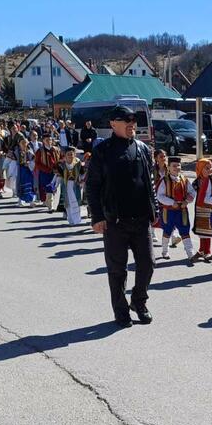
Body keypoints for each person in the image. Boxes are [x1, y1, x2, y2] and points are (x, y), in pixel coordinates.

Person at [85, 105, 158, 328]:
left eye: (133, 120)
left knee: (148, 263)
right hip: (114, 221)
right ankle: (120, 311)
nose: (131, 124)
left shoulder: (143, 149)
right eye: (126, 120)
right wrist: (97, 217)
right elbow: (92, 186)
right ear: (112, 124)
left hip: (141, 219)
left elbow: (150, 182)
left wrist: (153, 209)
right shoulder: (102, 151)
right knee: (117, 270)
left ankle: (138, 301)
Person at [156, 155, 197, 264]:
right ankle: (165, 251)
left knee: (185, 231)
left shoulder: (185, 179)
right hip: (168, 211)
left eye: (178, 165)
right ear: (168, 167)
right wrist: (171, 203)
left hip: (182, 211)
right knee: (167, 231)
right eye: (174, 166)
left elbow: (192, 192)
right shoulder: (164, 180)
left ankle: (190, 253)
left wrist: (187, 201)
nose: (177, 168)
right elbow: (159, 196)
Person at [191, 158, 212, 264]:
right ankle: (201, 250)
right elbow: (191, 192)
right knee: (201, 229)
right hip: (200, 208)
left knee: (208, 229)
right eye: (206, 168)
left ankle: (207, 251)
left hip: (210, 207)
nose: (210, 170)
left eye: (211, 167)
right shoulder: (197, 182)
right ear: (200, 169)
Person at [34, 135, 61, 210]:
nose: (49, 141)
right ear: (43, 141)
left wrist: (58, 168)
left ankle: (49, 202)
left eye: (50, 139)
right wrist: (47, 169)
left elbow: (61, 159)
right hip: (45, 172)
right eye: (47, 140)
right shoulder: (40, 151)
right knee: (48, 187)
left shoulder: (56, 149)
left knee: (54, 188)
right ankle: (50, 206)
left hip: (55, 173)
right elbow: (37, 163)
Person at [14, 136, 37, 206]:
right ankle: (20, 200)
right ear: (19, 144)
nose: (24, 144)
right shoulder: (16, 152)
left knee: (29, 185)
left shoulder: (30, 151)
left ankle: (31, 201)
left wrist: (29, 163)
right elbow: (12, 160)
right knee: (20, 185)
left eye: (25, 142)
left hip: (28, 171)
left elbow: (34, 160)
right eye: (22, 143)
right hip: (20, 170)